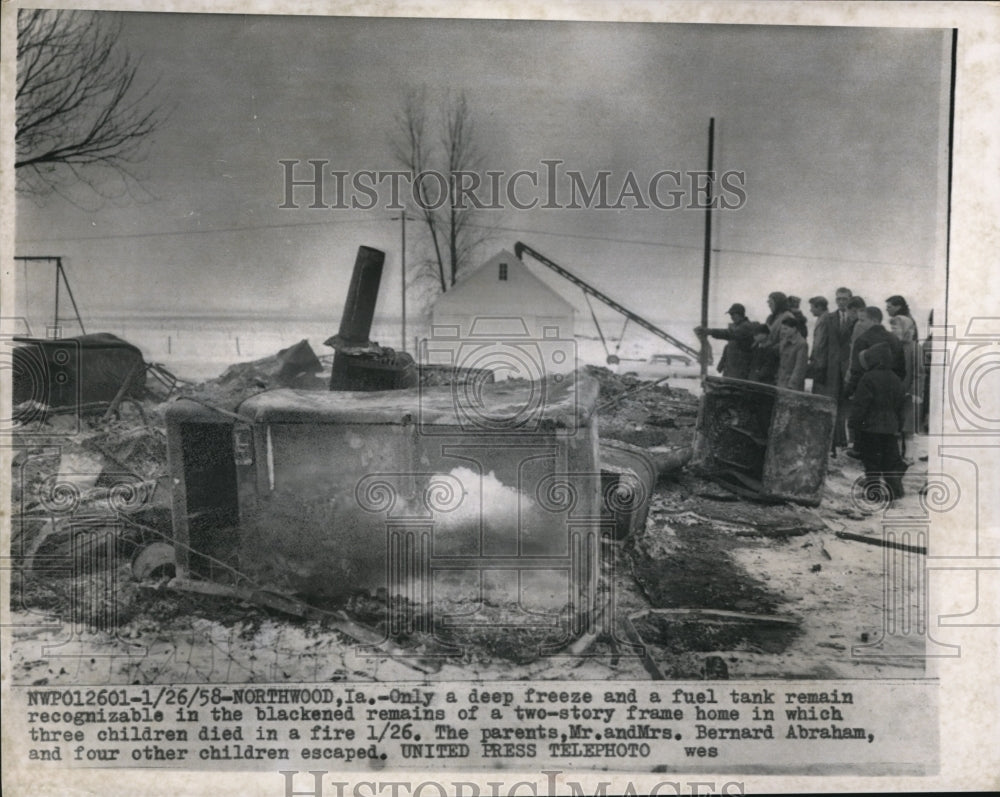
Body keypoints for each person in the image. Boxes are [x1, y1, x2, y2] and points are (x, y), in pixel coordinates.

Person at [849, 341, 908, 502]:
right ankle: (896, 491)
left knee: (872, 463)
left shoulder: (868, 378)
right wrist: (899, 426)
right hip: (890, 428)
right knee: (889, 462)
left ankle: (873, 493)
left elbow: (861, 404)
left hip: (870, 428)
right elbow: (901, 405)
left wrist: (853, 423)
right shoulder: (896, 379)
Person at [885, 295, 922, 460]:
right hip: (894, 391)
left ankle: (909, 456)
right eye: (892, 329)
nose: (893, 332)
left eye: (896, 329)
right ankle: (895, 456)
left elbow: (919, 373)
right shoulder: (892, 347)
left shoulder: (914, 349)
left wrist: (915, 392)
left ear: (906, 329)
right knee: (895, 425)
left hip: (909, 394)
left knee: (908, 427)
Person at [845, 306, 905, 397]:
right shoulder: (894, 339)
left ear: (874, 320)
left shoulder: (862, 340)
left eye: (862, 320)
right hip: (891, 392)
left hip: (867, 391)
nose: (859, 324)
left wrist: (848, 392)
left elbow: (856, 371)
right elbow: (901, 369)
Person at [694, 303, 755, 380]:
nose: (731, 317)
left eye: (733, 314)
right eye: (730, 315)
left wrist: (710, 331)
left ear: (740, 314)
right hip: (732, 369)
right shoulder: (736, 327)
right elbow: (729, 347)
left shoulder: (746, 327)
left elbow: (728, 334)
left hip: (740, 370)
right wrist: (722, 364)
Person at [830, 287, 856, 453]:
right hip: (833, 367)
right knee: (834, 402)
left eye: (844, 299)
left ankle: (849, 441)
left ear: (850, 299)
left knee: (848, 405)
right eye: (838, 299)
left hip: (849, 367)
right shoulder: (830, 318)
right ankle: (837, 440)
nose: (841, 302)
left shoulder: (856, 318)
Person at [776, 317, 808, 391]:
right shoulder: (784, 341)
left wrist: (791, 385)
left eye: (785, 329)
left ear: (794, 329)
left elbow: (799, 368)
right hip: (781, 382)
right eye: (782, 329)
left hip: (791, 386)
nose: (782, 331)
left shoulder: (801, 344)